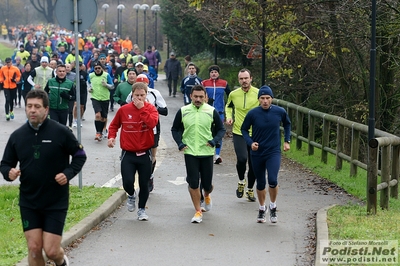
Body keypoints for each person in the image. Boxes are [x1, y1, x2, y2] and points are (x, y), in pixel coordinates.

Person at [0, 89, 87, 266]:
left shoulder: (61, 132)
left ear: (46, 110)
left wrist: (68, 173)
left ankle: (61, 262)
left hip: (55, 200)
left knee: (52, 250)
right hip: (29, 200)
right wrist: (9, 173)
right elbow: (5, 164)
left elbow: (80, 154)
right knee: (33, 248)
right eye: (29, 106)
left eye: (37, 106)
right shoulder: (18, 136)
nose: (32, 110)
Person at [171, 85, 225, 223]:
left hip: (206, 152)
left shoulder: (211, 111)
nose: (198, 99)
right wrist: (180, 143)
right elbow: (175, 129)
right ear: (191, 96)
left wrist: (214, 141)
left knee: (207, 185)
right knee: (193, 183)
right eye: (196, 96)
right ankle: (198, 211)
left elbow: (221, 130)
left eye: (201, 97)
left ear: (205, 97)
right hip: (190, 152)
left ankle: (207, 195)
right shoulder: (183, 111)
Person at [107, 82, 159, 221]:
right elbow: (114, 125)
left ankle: (141, 209)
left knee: (144, 184)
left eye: (142, 95)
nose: (139, 98)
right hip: (128, 153)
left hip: (144, 153)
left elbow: (152, 124)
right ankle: (131, 195)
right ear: (132, 95)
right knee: (127, 182)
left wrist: (142, 109)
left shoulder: (151, 109)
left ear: (146, 95)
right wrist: (111, 137)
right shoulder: (124, 110)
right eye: (137, 95)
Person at [241, 86, 291, 223]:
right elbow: (244, 129)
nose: (265, 101)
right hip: (257, 152)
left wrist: (287, 140)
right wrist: (251, 142)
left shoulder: (279, 112)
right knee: (261, 183)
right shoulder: (253, 114)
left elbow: (287, 124)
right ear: (258, 100)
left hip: (273, 151)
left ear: (272, 99)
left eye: (267, 98)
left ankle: (273, 206)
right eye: (262, 98)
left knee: (273, 180)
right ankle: (262, 208)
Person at [125, 74, 168, 192]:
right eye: (140, 84)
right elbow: (126, 107)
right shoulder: (132, 94)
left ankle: (150, 176)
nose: (142, 87)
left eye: (145, 84)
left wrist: (151, 108)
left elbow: (165, 111)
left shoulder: (154, 93)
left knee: (152, 155)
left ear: (148, 84)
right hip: (137, 128)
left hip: (153, 127)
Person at [225, 68, 259, 202]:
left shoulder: (258, 93)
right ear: (239, 80)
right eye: (241, 79)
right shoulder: (233, 94)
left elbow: (266, 106)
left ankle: (250, 189)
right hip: (239, 132)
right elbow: (229, 106)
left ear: (251, 78)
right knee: (242, 159)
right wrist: (229, 117)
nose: (244, 81)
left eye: (246, 78)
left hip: (255, 133)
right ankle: (241, 182)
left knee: (254, 163)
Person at [202, 65, 231, 164]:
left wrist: (229, 106)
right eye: (212, 72)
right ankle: (208, 152)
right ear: (209, 74)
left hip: (219, 112)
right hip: (207, 112)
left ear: (218, 73)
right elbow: (200, 95)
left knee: (219, 132)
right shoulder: (204, 83)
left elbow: (230, 95)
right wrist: (206, 101)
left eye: (215, 72)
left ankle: (217, 155)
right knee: (207, 132)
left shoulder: (224, 83)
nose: (213, 74)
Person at [88, 61, 114, 141]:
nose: (97, 70)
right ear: (93, 69)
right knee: (97, 115)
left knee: (103, 118)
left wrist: (106, 85)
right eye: (95, 68)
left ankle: (102, 131)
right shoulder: (91, 75)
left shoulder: (106, 75)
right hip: (95, 98)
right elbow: (88, 83)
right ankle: (98, 132)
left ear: (101, 68)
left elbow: (112, 86)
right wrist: (90, 89)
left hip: (105, 98)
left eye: (99, 68)